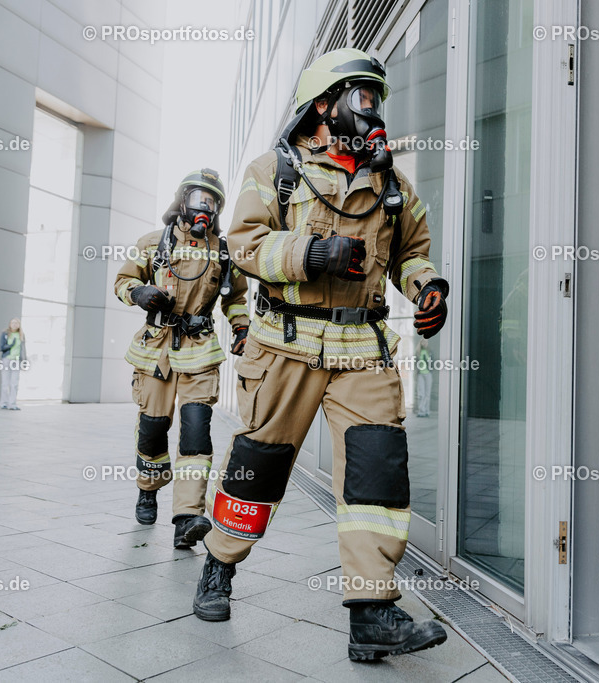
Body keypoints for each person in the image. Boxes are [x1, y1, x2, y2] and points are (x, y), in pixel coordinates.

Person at [192, 49, 450, 661]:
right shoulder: (274, 171)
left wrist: (427, 287)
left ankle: (372, 613)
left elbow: (413, 251)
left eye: (376, 96)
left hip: (363, 346)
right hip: (285, 343)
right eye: (361, 95)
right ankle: (219, 565)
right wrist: (312, 254)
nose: (372, 108)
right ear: (323, 104)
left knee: (377, 473)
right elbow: (246, 246)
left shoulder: (393, 185)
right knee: (260, 464)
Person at [114, 169, 250, 549]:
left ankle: (187, 517)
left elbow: (235, 298)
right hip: (155, 349)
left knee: (195, 432)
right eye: (199, 199)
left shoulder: (222, 251)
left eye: (212, 202)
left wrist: (241, 328)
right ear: (182, 200)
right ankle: (148, 488)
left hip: (199, 350)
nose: (204, 207)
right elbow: (122, 281)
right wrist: (139, 292)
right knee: (153, 428)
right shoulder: (152, 243)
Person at [0, 318, 26, 410]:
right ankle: (4, 403)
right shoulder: (5, 334)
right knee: (5, 383)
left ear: (19, 325)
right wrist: (11, 344)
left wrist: (24, 360)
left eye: (16, 323)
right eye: (13, 323)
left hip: (16, 361)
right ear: (9, 324)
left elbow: (23, 349)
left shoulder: (21, 335)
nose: (14, 324)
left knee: (14, 384)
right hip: (6, 360)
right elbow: (2, 347)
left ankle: (12, 404)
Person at [415, 339, 433, 417]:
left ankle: (426, 411)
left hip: (428, 374)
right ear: (421, 343)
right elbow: (416, 364)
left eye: (426, 342)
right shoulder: (418, 352)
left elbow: (432, 363)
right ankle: (421, 411)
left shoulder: (430, 352)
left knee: (427, 394)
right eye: (423, 342)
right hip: (420, 374)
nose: (425, 343)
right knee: (421, 394)